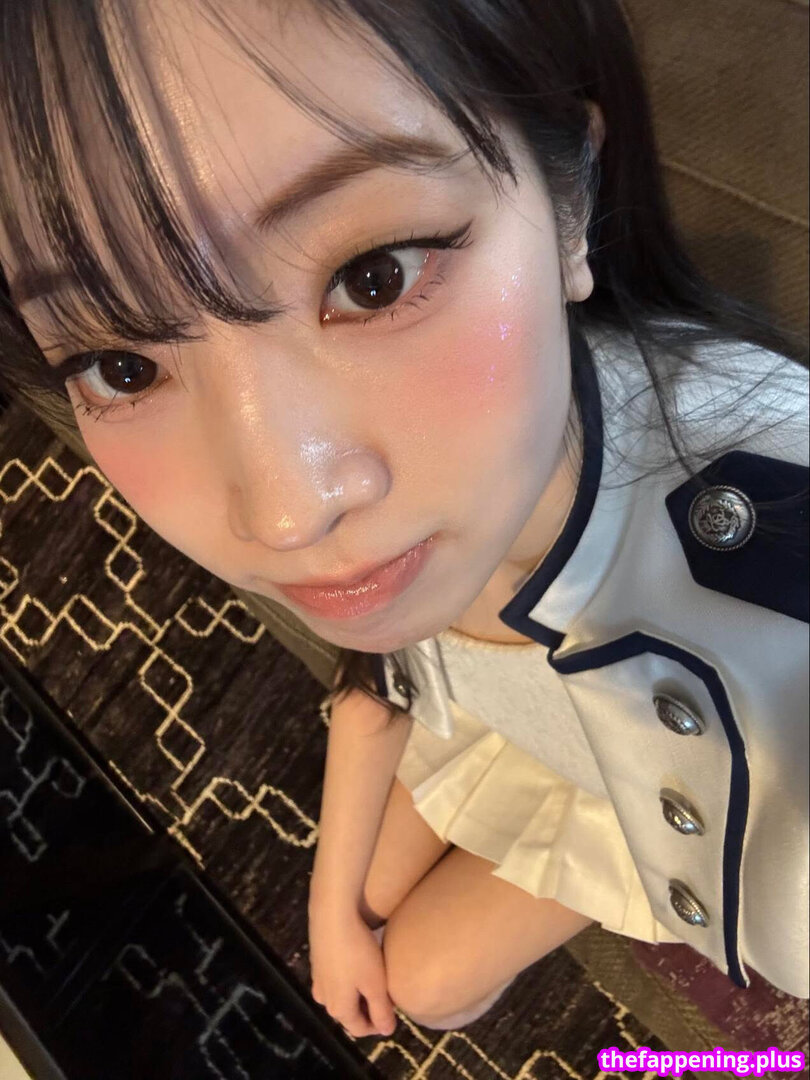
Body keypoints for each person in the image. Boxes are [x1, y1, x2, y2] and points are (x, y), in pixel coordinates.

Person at [0, 0, 807, 1043]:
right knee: (370, 921)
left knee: (431, 987)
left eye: (373, 279)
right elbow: (387, 673)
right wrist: (329, 904)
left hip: (661, 795)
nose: (286, 516)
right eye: (120, 365)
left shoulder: (768, 520)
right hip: (496, 723)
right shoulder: (441, 503)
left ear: (571, 203)